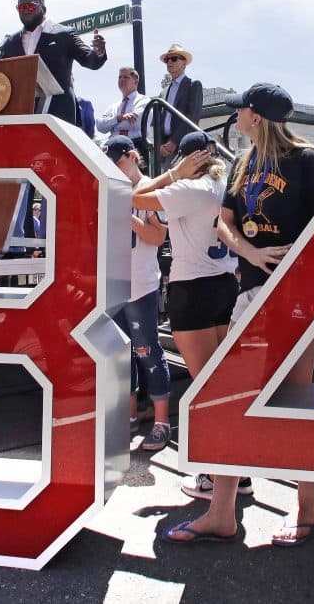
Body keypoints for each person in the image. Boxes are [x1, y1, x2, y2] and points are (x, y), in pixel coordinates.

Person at [164, 84, 314, 545]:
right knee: (229, 397)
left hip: (295, 296)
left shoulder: (306, 159)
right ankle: (222, 512)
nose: (235, 117)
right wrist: (250, 255)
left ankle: (308, 506)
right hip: (252, 289)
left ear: (255, 116)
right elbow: (226, 222)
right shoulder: (242, 162)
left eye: (240, 110)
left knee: (298, 401)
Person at [131, 131, 237, 452]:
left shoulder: (190, 186)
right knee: (223, 382)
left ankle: (219, 472)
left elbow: (132, 196)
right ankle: (236, 472)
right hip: (226, 286)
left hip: (194, 289)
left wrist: (174, 173)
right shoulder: (226, 186)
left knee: (206, 387)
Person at [102, 136, 172, 450]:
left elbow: (157, 237)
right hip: (115, 284)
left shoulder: (148, 189)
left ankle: (161, 421)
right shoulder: (108, 188)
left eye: (117, 161)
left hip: (141, 284)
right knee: (119, 357)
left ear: (132, 157)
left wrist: (127, 216)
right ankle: (129, 415)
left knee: (148, 352)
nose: (113, 168)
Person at [157, 44, 203, 169]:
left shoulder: (194, 85)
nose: (169, 62)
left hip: (185, 147)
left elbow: (192, 117)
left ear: (184, 63)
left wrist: (173, 142)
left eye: (174, 58)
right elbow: (159, 121)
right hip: (166, 150)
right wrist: (161, 145)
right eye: (167, 59)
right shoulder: (163, 92)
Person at [97, 66, 151, 159]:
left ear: (136, 82)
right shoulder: (114, 106)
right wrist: (119, 118)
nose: (121, 80)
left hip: (136, 146)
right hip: (113, 147)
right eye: (120, 77)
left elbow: (137, 122)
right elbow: (100, 126)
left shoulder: (144, 100)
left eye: (126, 77)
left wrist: (113, 124)